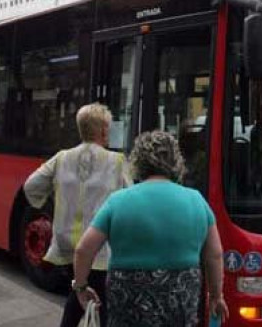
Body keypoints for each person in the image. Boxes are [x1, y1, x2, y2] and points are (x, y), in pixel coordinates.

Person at [73, 131, 229, 327]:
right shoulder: (196, 200)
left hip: (127, 296)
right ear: (176, 162)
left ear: (138, 162)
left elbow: (84, 249)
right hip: (181, 294)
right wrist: (216, 295)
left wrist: (80, 287)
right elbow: (214, 255)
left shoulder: (118, 201)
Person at [23, 103, 131, 327]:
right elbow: (130, 201)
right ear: (102, 130)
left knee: (81, 294)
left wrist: (48, 200)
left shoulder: (62, 158)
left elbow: (31, 186)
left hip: (67, 245)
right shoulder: (117, 162)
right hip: (99, 247)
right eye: (108, 128)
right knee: (97, 300)